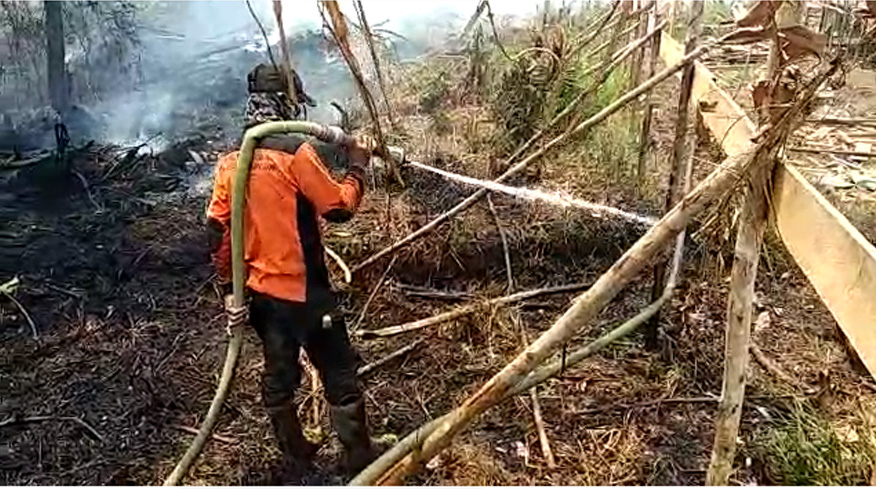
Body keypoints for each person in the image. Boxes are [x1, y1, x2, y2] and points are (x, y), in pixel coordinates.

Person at [205, 63, 375, 479]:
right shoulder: (296, 152)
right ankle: (359, 459)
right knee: (338, 370)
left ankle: (296, 455)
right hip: (305, 293)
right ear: (287, 102)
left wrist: (230, 289)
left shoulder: (231, 161)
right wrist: (357, 168)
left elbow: (217, 231)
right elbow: (338, 207)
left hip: (261, 298)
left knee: (279, 373)